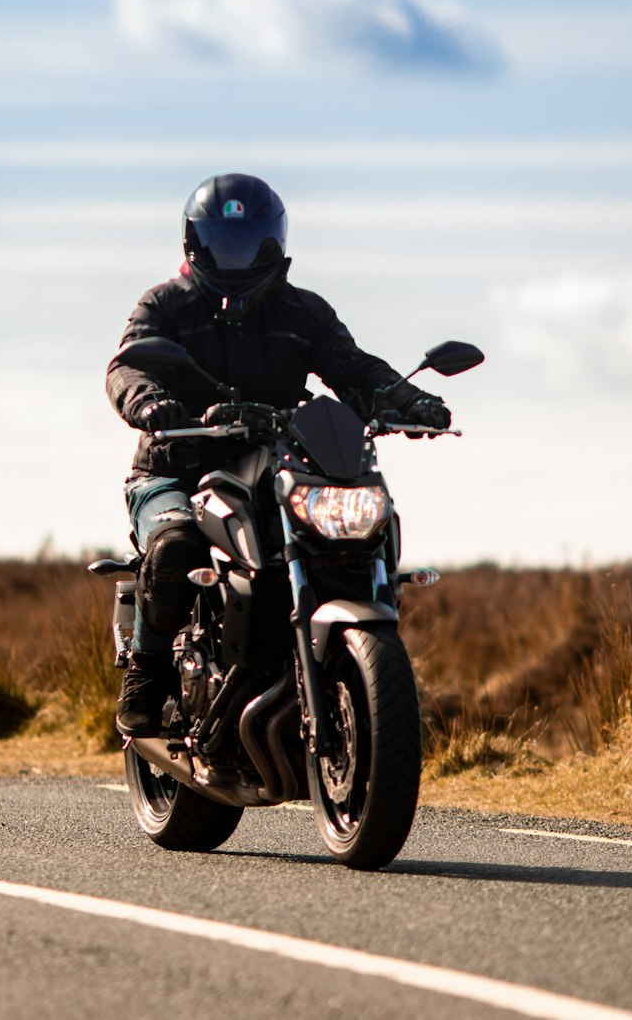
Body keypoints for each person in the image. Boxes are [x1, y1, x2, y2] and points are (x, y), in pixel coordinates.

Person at [106, 172, 450, 737]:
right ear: (194, 244)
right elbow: (127, 366)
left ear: (276, 244)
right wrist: (153, 406)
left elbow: (353, 366)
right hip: (175, 468)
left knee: (355, 531)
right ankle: (145, 674)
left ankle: (332, 669)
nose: (236, 257)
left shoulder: (301, 312)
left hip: (277, 466)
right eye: (222, 243)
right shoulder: (165, 305)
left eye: (250, 245)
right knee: (174, 549)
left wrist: (405, 397)